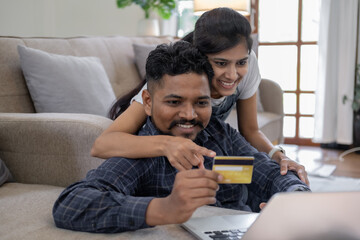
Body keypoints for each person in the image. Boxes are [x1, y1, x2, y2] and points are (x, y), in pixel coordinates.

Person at [53, 41, 310, 233]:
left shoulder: (218, 134)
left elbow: (261, 173)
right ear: (148, 101)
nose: (189, 115)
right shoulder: (144, 156)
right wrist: (164, 208)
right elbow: (71, 204)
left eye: (201, 102)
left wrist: (293, 198)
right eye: (174, 102)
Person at [91, 7, 309, 185]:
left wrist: (278, 156)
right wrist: (167, 145)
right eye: (221, 63)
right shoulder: (177, 75)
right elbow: (102, 145)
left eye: (240, 62)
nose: (233, 74)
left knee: (247, 178)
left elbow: (250, 130)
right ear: (199, 58)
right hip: (155, 150)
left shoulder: (248, 65)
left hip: (197, 143)